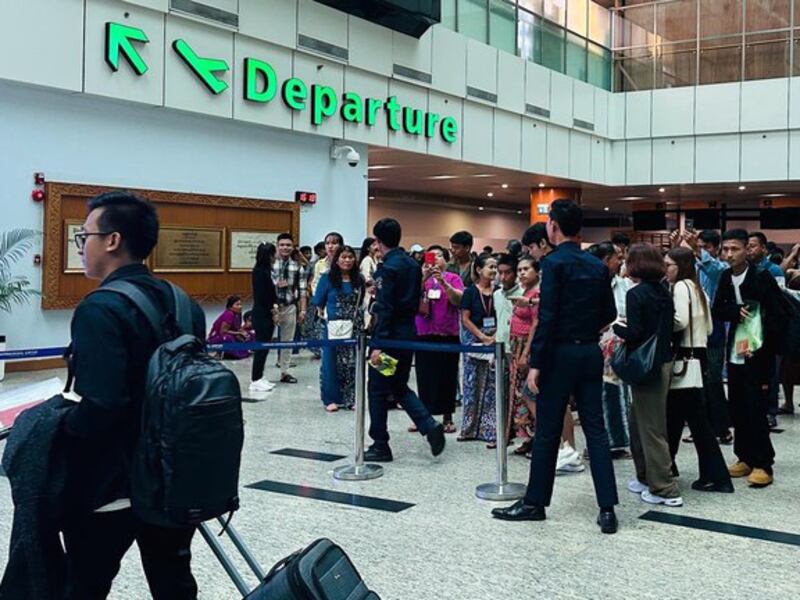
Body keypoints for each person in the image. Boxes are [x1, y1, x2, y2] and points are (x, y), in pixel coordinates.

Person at [61, 190, 205, 599]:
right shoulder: (184, 304)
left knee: (84, 582)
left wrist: (59, 423)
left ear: (112, 240)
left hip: (114, 481)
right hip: (177, 474)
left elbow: (103, 405)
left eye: (84, 235)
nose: (82, 246)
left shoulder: (99, 309)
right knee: (173, 581)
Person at [492, 200, 619, 533]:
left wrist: (536, 363)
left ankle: (535, 503)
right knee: (596, 429)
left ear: (553, 227)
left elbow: (546, 318)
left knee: (548, 429)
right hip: (590, 352)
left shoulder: (553, 265)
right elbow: (608, 313)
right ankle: (607, 508)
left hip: (559, 355)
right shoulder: (596, 266)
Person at [365, 218, 446, 462]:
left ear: (378, 241)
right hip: (407, 334)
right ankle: (429, 424)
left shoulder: (388, 268)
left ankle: (380, 443)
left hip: (388, 338)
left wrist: (378, 344)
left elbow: (385, 307)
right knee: (398, 385)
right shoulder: (412, 264)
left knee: (378, 388)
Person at [714, 229, 787, 488]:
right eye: (725, 249)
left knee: (756, 407)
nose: (729, 254)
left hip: (758, 352)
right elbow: (718, 308)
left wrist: (764, 345)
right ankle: (743, 456)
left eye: (735, 249)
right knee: (738, 406)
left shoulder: (762, 276)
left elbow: (777, 314)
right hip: (735, 350)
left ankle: (763, 463)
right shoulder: (724, 276)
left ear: (747, 250)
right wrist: (735, 311)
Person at [614, 244, 682, 507]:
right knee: (639, 420)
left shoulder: (635, 294)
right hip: (662, 361)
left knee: (651, 428)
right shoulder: (663, 291)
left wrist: (616, 328)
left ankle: (665, 488)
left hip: (644, 365)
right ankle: (646, 477)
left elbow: (635, 333)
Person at [664, 247, 733, 493]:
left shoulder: (681, 287)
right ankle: (668, 466)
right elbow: (711, 327)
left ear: (680, 266)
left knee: (696, 423)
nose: (666, 269)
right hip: (698, 356)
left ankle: (717, 476)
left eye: (669, 264)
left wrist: (661, 323)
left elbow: (680, 321)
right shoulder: (699, 288)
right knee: (678, 418)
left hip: (685, 357)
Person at [682, 229, 733, 444]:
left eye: (706, 247)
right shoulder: (693, 267)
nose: (703, 251)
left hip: (713, 330)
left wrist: (696, 251)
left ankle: (722, 429)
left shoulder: (721, 268)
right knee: (696, 381)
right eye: (700, 247)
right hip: (692, 329)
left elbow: (712, 269)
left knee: (712, 380)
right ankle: (701, 428)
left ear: (716, 248)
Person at [587, 242, 632, 458]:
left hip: (619, 348)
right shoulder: (589, 284)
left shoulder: (624, 285)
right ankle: (601, 442)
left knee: (619, 395)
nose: (620, 261)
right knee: (597, 396)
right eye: (616, 257)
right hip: (594, 346)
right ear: (605, 260)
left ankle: (620, 442)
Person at [414, 245, 464, 433]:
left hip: (448, 333)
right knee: (424, 374)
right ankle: (423, 417)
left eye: (440, 256)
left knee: (447, 375)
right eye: (431, 256)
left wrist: (443, 282)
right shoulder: (420, 278)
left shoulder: (453, 278)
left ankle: (447, 416)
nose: (435, 260)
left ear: (446, 260)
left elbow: (459, 300)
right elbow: (410, 298)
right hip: (423, 332)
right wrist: (424, 278)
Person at [312, 246, 365, 411]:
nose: (347, 260)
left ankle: (352, 398)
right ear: (337, 259)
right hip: (332, 327)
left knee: (352, 363)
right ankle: (331, 399)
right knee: (330, 363)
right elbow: (318, 301)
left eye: (350, 257)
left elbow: (362, 300)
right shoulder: (327, 278)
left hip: (354, 327)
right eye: (343, 257)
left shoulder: (360, 279)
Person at [459, 253, 500, 447]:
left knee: (492, 386)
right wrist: (481, 336)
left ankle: (489, 428)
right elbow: (465, 319)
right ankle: (469, 428)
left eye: (495, 267)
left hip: (494, 340)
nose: (494, 270)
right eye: (490, 267)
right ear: (478, 269)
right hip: (474, 340)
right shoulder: (470, 292)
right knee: (471, 384)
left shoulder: (499, 291)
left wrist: (495, 336)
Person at [507, 256, 539, 456]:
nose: (521, 273)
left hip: (527, 346)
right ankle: (528, 437)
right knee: (518, 395)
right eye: (519, 269)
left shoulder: (536, 294)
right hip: (516, 344)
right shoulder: (525, 292)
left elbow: (536, 323)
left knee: (529, 394)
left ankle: (538, 437)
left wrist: (526, 353)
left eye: (526, 269)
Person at [271, 233, 307, 384]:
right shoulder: (270, 264)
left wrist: (303, 310)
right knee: (264, 341)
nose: (285, 248)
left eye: (288, 245)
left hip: (289, 307)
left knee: (288, 340)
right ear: (277, 246)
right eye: (282, 245)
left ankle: (284, 372)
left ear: (293, 247)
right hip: (271, 308)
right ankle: (258, 376)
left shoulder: (298, 267)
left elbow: (303, 290)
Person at [250, 242, 279, 393]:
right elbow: (262, 296)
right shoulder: (259, 272)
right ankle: (255, 379)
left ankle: (260, 376)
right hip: (262, 314)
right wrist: (273, 309)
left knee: (265, 348)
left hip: (266, 313)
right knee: (261, 348)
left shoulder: (268, 271)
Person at [207, 295, 250, 359]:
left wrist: (243, 332)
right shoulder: (229, 314)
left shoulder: (238, 314)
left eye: (240, 304)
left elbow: (237, 328)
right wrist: (238, 333)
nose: (240, 306)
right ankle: (223, 353)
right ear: (230, 307)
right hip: (218, 337)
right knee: (228, 338)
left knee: (249, 334)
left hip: (231, 334)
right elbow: (223, 331)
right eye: (237, 305)